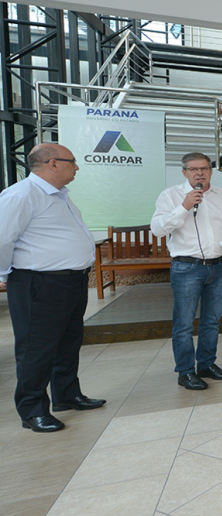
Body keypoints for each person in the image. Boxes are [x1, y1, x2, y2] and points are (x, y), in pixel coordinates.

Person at [0, 143, 106, 432]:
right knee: (36, 348)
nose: (77, 166)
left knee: (67, 342)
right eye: (72, 161)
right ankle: (32, 410)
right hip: (39, 283)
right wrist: (3, 274)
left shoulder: (59, 195)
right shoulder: (21, 195)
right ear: (52, 163)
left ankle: (67, 395)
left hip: (71, 281)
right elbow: (3, 238)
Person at [151, 153, 222, 391]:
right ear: (184, 172)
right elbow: (157, 229)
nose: (199, 173)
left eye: (204, 168)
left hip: (219, 266)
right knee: (184, 324)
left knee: (211, 321)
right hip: (187, 268)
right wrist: (184, 207)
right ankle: (185, 372)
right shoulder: (170, 195)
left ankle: (206, 364)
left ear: (211, 171)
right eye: (193, 169)